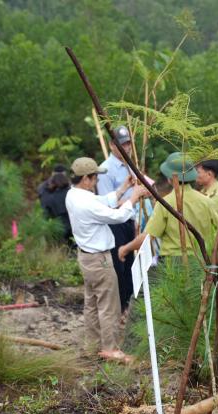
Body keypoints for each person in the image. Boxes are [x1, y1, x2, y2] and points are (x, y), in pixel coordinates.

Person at [65, 157, 147, 362]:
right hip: (99, 260)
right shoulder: (86, 203)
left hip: (86, 258)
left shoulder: (73, 195)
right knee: (109, 304)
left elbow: (102, 202)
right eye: (94, 178)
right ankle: (110, 348)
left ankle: (92, 346)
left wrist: (123, 188)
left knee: (91, 302)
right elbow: (116, 216)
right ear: (85, 179)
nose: (96, 182)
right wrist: (134, 197)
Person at [119, 152, 218, 262]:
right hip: (202, 262)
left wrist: (125, 248)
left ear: (169, 178)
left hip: (172, 265)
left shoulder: (165, 203)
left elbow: (148, 237)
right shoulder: (206, 201)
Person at [97, 125, 137, 312]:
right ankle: (119, 306)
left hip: (130, 221)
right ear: (112, 145)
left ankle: (130, 304)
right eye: (122, 144)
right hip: (116, 225)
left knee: (131, 263)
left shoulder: (131, 164)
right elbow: (108, 204)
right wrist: (133, 197)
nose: (126, 147)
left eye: (128, 143)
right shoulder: (105, 170)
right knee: (119, 266)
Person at [38, 170, 73, 247]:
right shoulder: (73, 193)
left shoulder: (49, 198)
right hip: (74, 227)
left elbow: (45, 214)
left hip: (59, 229)